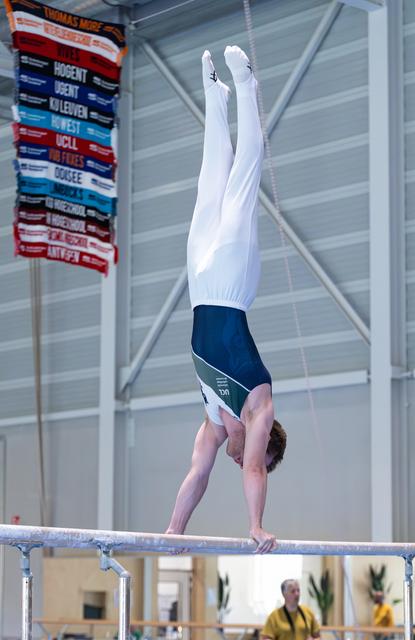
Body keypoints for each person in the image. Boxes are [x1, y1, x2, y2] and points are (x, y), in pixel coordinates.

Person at [165, 46, 287, 553]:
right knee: (243, 179)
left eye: (236, 458)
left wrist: (174, 529)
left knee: (209, 179)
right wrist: (255, 524)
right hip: (233, 284)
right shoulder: (258, 405)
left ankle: (214, 95)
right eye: (247, 456)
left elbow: (198, 475)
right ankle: (246, 84)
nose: (239, 458)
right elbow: (256, 467)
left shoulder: (215, 424)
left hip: (199, 285)